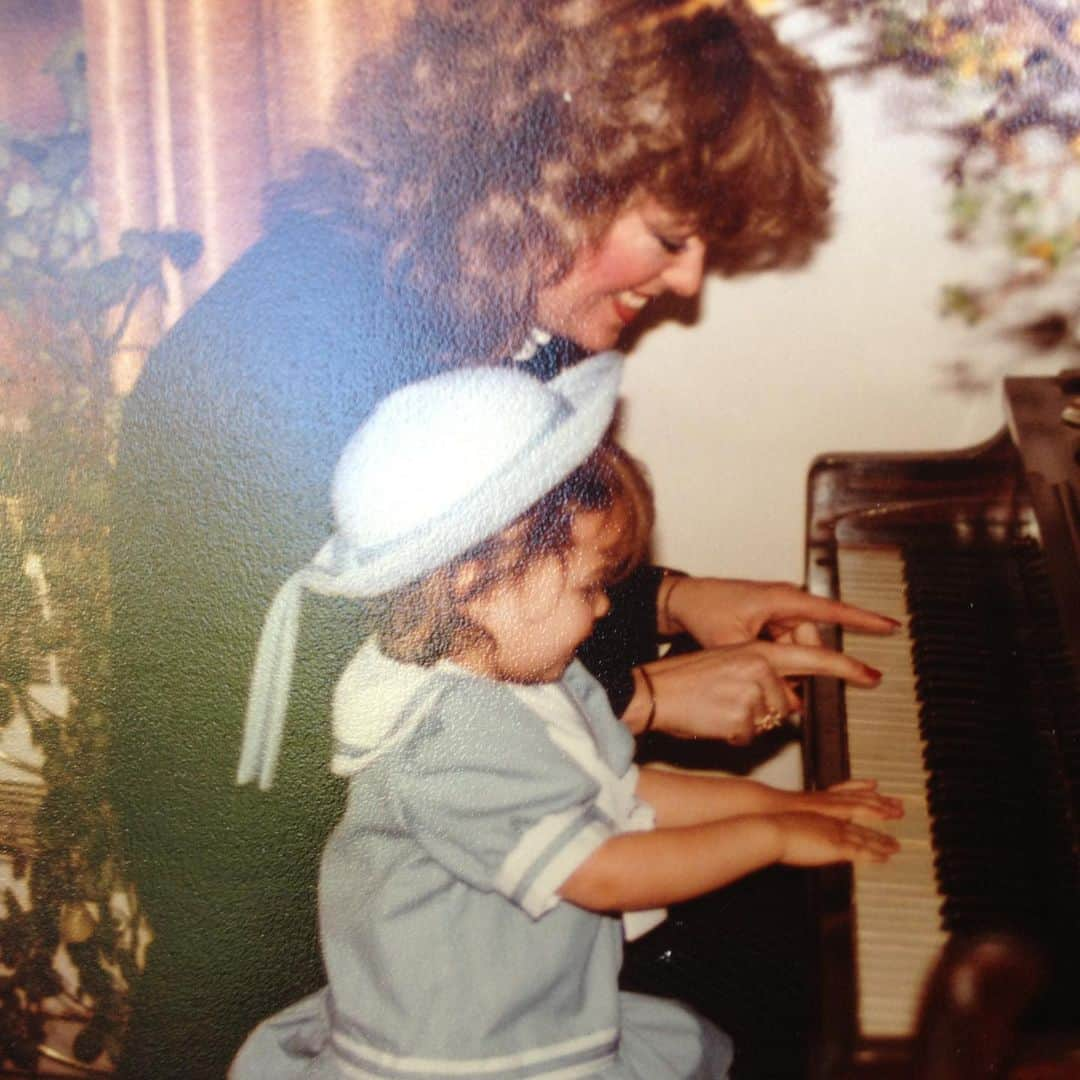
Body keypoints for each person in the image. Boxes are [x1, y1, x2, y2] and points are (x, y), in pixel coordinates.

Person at [108, 2, 897, 1076]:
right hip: (291, 896)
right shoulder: (310, 342)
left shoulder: (450, 291)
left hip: (433, 791)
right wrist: (651, 696)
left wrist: (671, 600)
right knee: (782, 977)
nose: (689, 283)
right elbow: (374, 677)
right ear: (562, 179)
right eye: (673, 238)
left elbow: (486, 548)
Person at [228, 356, 901, 1079]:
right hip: (462, 1054)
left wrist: (790, 803)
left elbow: (626, 791)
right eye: (589, 586)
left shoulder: (536, 674)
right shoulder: (450, 738)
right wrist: (770, 838)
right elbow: (603, 874)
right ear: (475, 583)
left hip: (528, 1007)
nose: (606, 607)